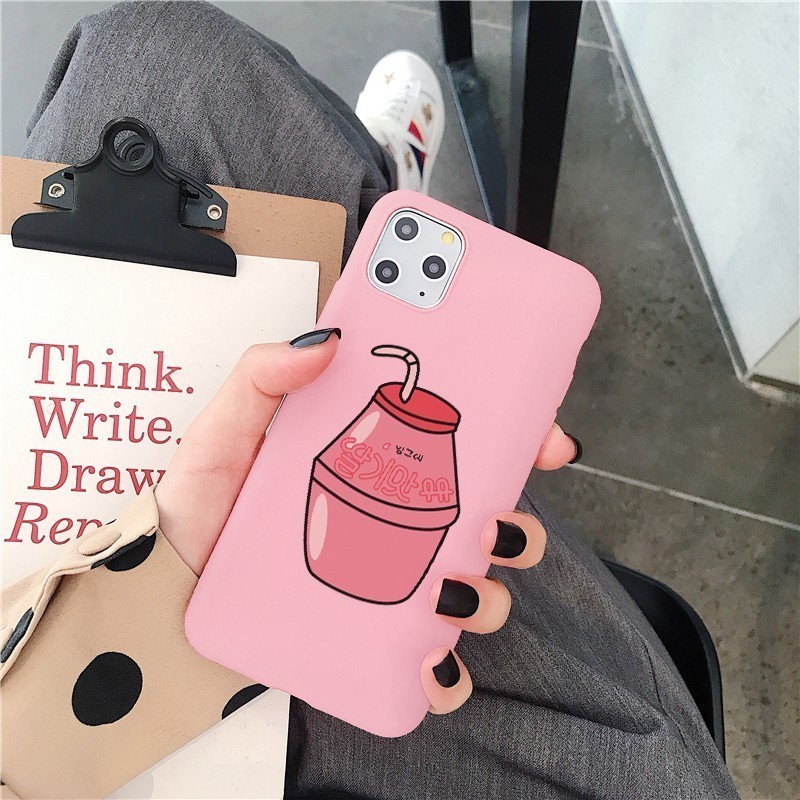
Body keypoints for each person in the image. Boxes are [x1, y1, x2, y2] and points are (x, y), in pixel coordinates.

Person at [1, 3, 739, 799]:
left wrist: (165, 564)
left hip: (52, 729)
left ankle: (358, 216)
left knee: (156, 63)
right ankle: (359, 207)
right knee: (168, 74)